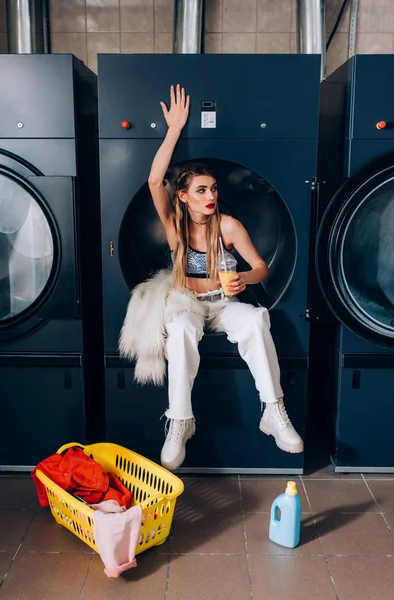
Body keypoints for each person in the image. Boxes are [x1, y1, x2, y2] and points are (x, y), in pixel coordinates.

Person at [146, 84, 303, 470]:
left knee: (254, 319)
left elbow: (262, 267)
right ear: (183, 196)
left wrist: (244, 280)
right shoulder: (173, 226)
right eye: (201, 190)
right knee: (180, 329)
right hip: (187, 304)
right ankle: (180, 421)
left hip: (223, 303)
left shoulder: (228, 226)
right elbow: (154, 181)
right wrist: (174, 130)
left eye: (213, 189)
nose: (210, 195)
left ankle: (274, 411)